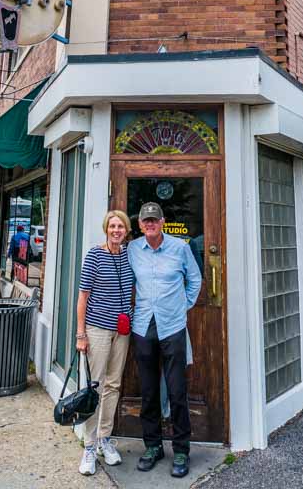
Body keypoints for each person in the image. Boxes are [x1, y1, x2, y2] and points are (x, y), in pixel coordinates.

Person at [128, 202, 202, 479]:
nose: (150, 224)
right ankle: (153, 446)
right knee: (148, 391)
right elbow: (124, 279)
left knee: (177, 391)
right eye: (146, 221)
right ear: (140, 225)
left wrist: (182, 307)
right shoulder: (133, 249)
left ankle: (181, 449)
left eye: (154, 220)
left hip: (172, 327)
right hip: (143, 326)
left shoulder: (180, 247)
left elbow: (195, 280)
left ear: (162, 222)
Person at [75, 210, 134, 477]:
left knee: (113, 384)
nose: (116, 230)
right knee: (94, 387)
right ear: (105, 229)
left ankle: (104, 439)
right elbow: (83, 297)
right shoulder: (94, 255)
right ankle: (88, 446)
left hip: (122, 330)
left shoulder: (128, 255)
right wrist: (81, 334)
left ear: (127, 230)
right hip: (97, 329)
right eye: (112, 226)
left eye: (121, 226)